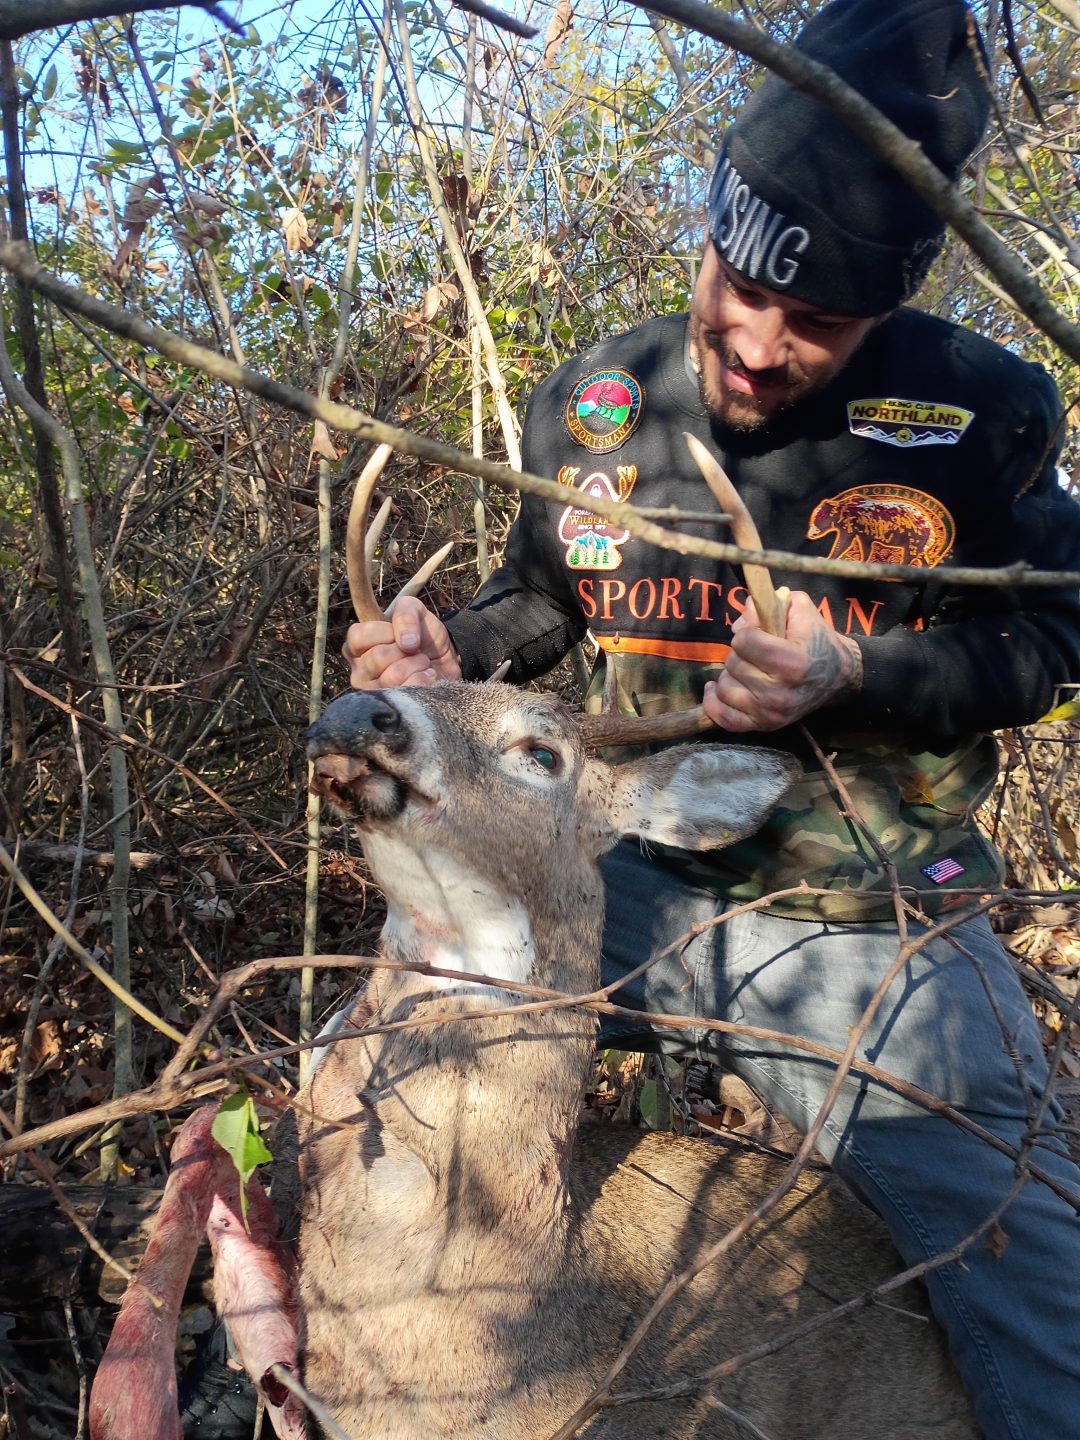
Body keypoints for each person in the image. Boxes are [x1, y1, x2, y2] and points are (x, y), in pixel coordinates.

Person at [344, 1, 1080, 1434]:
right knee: (376, 1080)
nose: (756, 342)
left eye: (820, 323)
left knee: (1029, 1266)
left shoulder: (979, 413)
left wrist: (853, 676)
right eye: (741, 286)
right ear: (715, 224)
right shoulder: (600, 404)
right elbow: (543, 602)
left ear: (893, 301)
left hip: (860, 919)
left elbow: (1060, 637)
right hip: (617, 881)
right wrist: (450, 653)